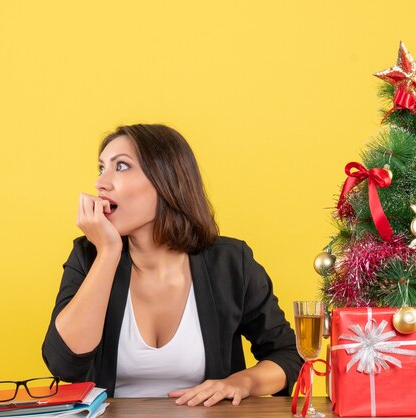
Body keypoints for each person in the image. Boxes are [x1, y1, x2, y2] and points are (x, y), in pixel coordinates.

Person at [42, 124, 303, 407]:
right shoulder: (89, 256)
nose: (101, 183)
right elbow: (65, 364)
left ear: (166, 180)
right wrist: (107, 253)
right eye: (101, 167)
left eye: (121, 166)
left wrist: (242, 381)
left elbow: (289, 355)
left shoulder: (230, 262)